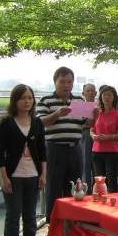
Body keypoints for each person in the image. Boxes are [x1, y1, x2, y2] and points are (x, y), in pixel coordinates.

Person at [0, 84, 47, 236]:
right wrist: (4, 177)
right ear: (15, 100)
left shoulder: (37, 122)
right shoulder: (6, 123)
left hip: (33, 176)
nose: (27, 101)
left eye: (30, 98)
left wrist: (43, 174)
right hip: (13, 176)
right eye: (23, 98)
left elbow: (42, 151)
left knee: (30, 217)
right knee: (13, 216)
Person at [37, 66, 88, 222]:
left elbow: (86, 124)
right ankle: (53, 221)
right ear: (55, 82)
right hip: (54, 149)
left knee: (75, 185)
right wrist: (57, 113)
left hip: (75, 148)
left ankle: (71, 219)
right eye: (62, 81)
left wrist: (95, 116)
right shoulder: (46, 101)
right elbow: (40, 123)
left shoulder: (79, 101)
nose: (66, 85)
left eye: (69, 81)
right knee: (53, 185)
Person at [91, 85, 118, 192]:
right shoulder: (96, 113)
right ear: (100, 97)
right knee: (99, 181)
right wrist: (93, 136)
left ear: (114, 97)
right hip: (97, 150)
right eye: (104, 95)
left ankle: (113, 204)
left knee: (112, 180)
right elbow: (91, 129)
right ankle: (100, 203)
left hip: (112, 151)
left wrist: (107, 137)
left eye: (109, 95)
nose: (106, 97)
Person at [81, 83, 97, 191]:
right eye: (88, 91)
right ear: (83, 93)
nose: (90, 93)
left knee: (96, 163)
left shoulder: (100, 106)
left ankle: (97, 187)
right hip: (85, 136)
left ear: (96, 93)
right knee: (85, 163)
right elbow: (80, 124)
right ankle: (86, 189)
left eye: (92, 91)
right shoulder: (80, 106)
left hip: (98, 137)